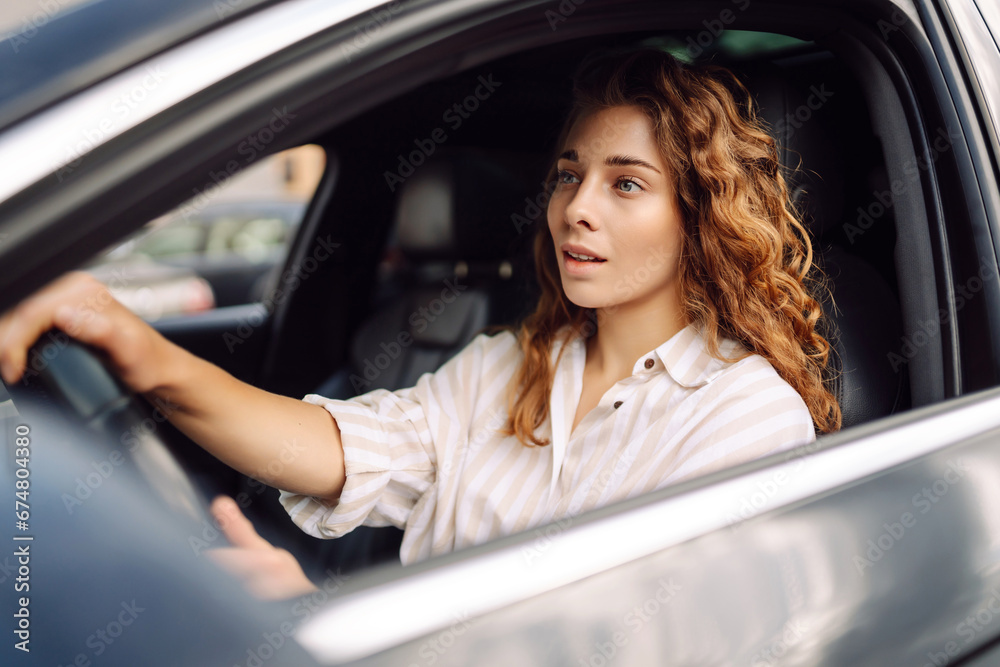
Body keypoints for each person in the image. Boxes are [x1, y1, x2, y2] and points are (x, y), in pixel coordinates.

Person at [0, 49, 839, 599]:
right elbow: (335, 446)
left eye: (626, 184)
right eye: (567, 174)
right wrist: (132, 345)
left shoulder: (747, 418)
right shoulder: (515, 362)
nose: (575, 209)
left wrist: (323, 622)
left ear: (699, 217)